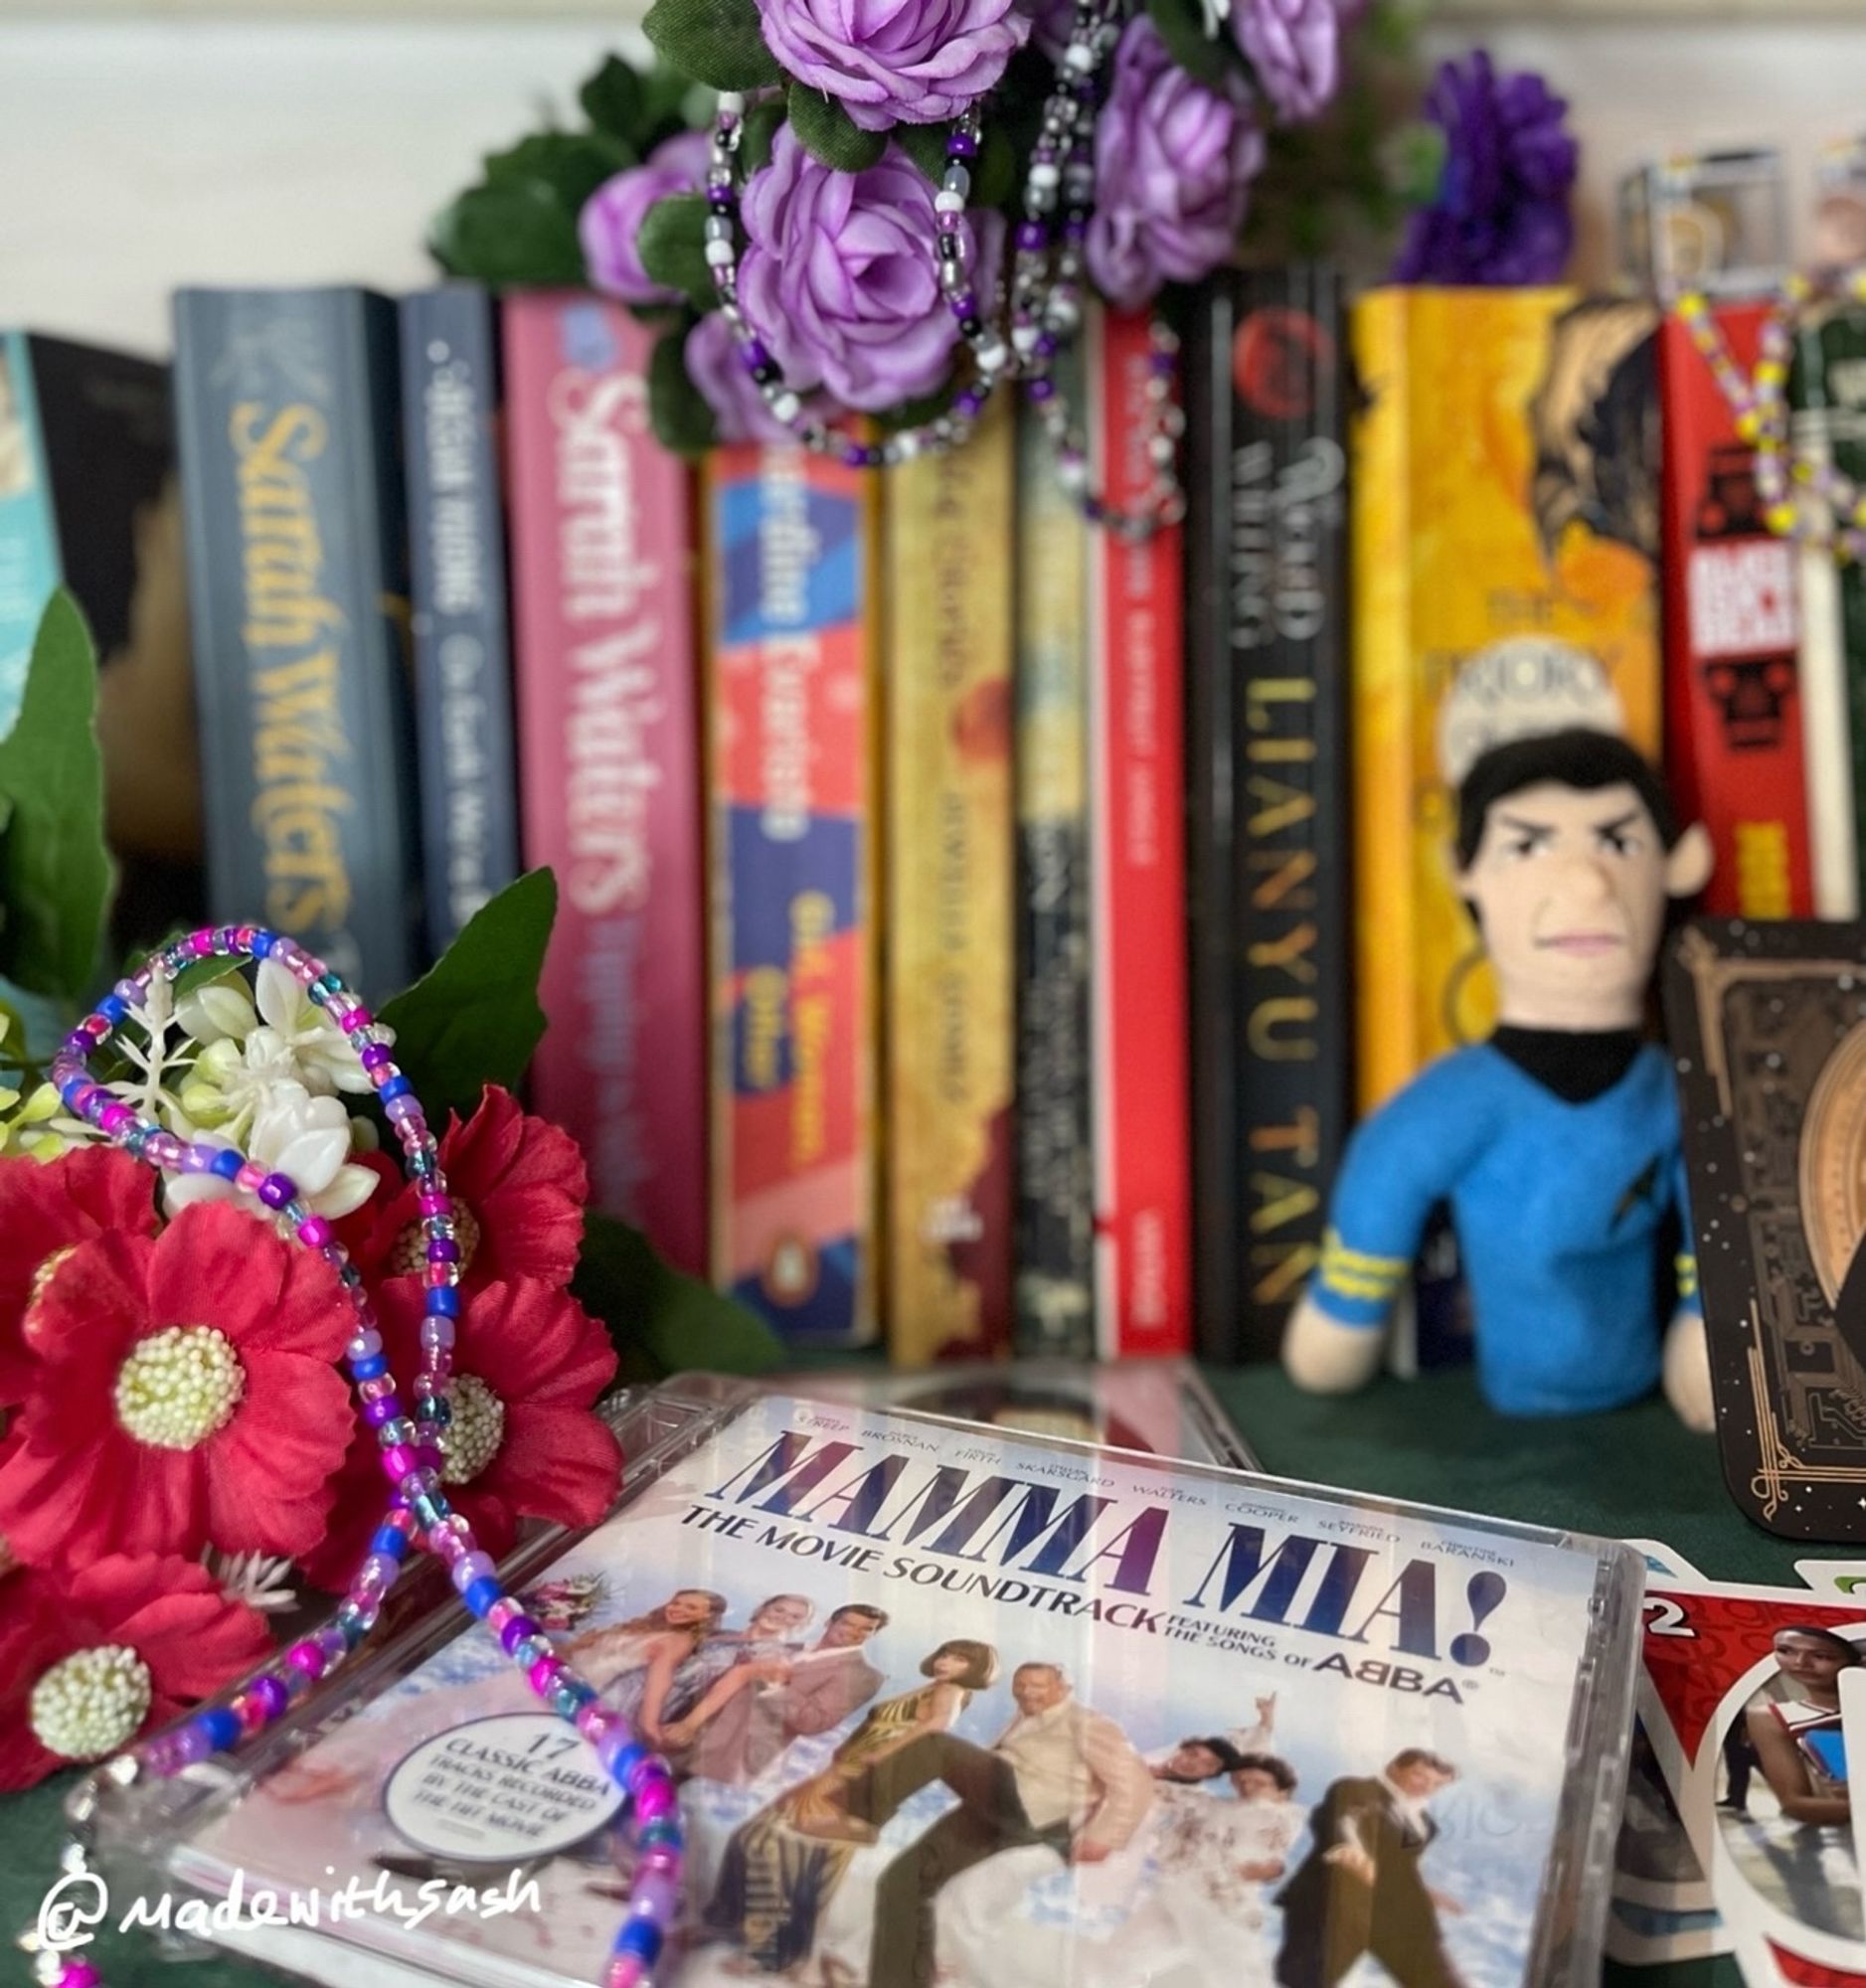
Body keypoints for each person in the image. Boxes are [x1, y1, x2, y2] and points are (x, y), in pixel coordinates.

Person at [1282, 729, 1715, 1424]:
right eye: (1527, 845)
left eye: (1616, 842)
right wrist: (1346, 1303)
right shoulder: (1465, 1098)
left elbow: (1715, 1207)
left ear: (1677, 865)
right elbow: (1386, 1170)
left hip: (1643, 1381)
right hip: (1510, 1392)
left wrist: (1706, 1317)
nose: (1586, 881)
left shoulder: (1675, 1092)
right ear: (1465, 871)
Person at [823, 1659, 1153, 1988]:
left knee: (938, 1749)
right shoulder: (1026, 1716)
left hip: (1025, 1806)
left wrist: (1105, 1836)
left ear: (1063, 1689)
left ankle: (854, 1811)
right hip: (989, 1812)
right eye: (1020, 1685)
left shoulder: (1088, 1724)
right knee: (903, 1881)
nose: (1026, 1692)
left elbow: (1136, 1782)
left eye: (1038, 1685)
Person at [704, 1638, 998, 1973]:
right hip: (847, 1770)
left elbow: (937, 1725)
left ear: (973, 1670)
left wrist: (880, 1756)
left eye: (960, 1659)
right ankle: (738, 1924)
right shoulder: (934, 1687)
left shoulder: (952, 1692)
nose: (947, 1661)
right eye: (946, 1654)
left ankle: (774, 1951)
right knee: (762, 1837)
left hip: (864, 1778)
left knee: (795, 1854)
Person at [1274, 1747, 1464, 1988]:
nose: (1427, 1787)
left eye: (1437, 1784)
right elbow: (1344, 1821)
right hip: (1331, 1907)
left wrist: (1424, 1892)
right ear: (1395, 1768)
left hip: (1390, 1913)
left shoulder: (1426, 1825)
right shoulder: (1357, 1790)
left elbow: (1400, 1869)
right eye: (1420, 1776)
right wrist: (1351, 1850)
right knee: (1307, 1981)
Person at [671, 1602, 889, 1786]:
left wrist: (776, 1688)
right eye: (848, 1623)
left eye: (866, 1629)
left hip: (723, 1755)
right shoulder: (788, 1647)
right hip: (680, 1726)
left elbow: (814, 1722)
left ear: (873, 1634)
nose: (854, 1631)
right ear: (829, 1623)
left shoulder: (863, 1675)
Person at [605, 1593, 813, 1747]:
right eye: (779, 1610)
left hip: (669, 1703)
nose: (783, 1618)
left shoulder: (774, 1656)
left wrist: (688, 1726)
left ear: (802, 1625)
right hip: (632, 1684)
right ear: (762, 1609)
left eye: (794, 1617)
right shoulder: (720, 1634)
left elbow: (733, 1680)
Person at [1746, 1625, 1862, 1826]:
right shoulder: (1770, 1717)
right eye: (1786, 1651)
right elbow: (1795, 1804)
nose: (1800, 1663)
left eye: (1822, 1656)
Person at [563, 1586, 726, 1693]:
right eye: (676, 1603)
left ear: (707, 1615)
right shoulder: (646, 1627)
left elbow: (658, 1683)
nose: (678, 1609)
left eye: (691, 1607)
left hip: (590, 1688)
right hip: (565, 1670)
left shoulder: (680, 1642)